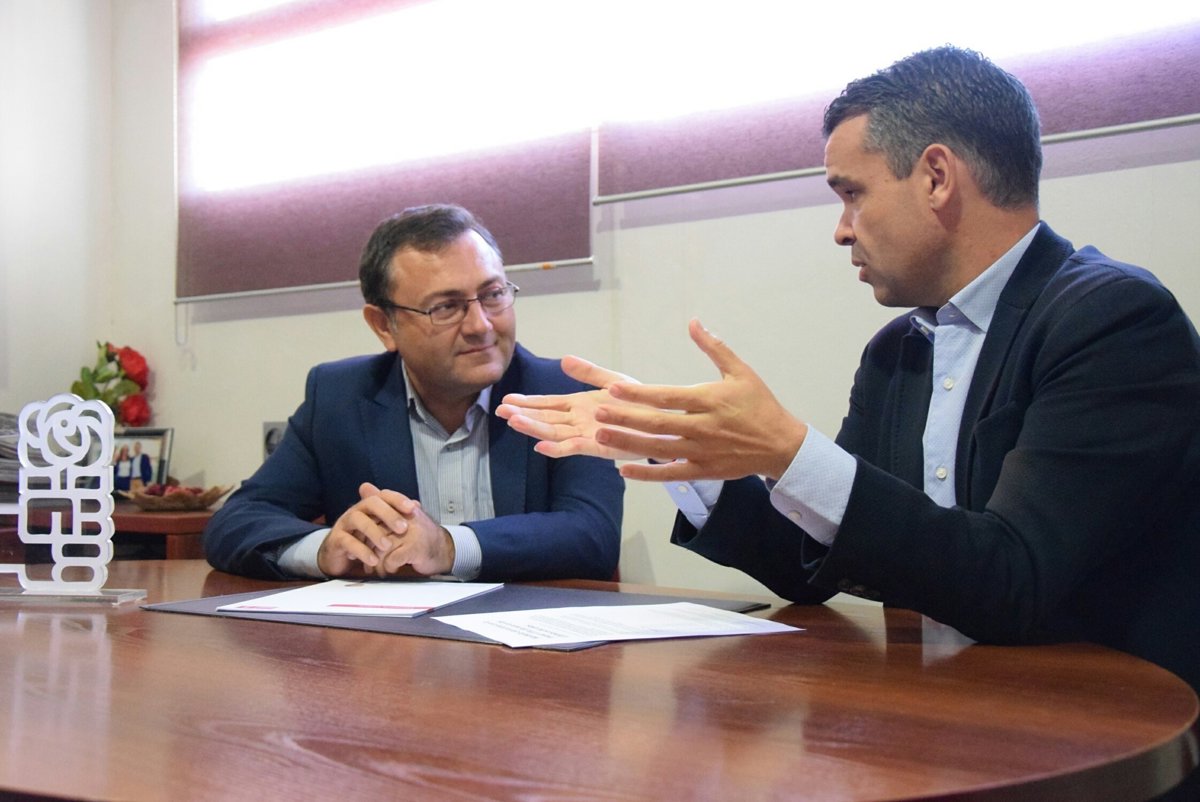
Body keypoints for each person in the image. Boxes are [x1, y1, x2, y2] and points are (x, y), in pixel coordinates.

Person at [498, 46, 1200, 707]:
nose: (841, 229)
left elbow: (1014, 582)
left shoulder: (1112, 321)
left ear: (936, 177)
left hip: (1103, 726)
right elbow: (815, 563)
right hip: (942, 713)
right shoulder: (899, 350)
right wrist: (678, 446)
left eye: (852, 193)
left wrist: (790, 452)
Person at [204, 204, 624, 582]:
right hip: (388, 641)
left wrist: (447, 547)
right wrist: (325, 549)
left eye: (493, 295)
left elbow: (593, 535)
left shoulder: (563, 394)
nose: (480, 325)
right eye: (446, 307)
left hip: (526, 638)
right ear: (383, 325)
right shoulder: (339, 398)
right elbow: (238, 520)